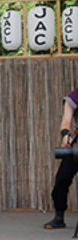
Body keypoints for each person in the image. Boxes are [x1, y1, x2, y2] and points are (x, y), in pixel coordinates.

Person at [44, 88, 78, 229]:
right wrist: (66, 134)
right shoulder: (74, 96)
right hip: (77, 145)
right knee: (62, 178)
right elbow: (65, 121)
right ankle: (59, 217)